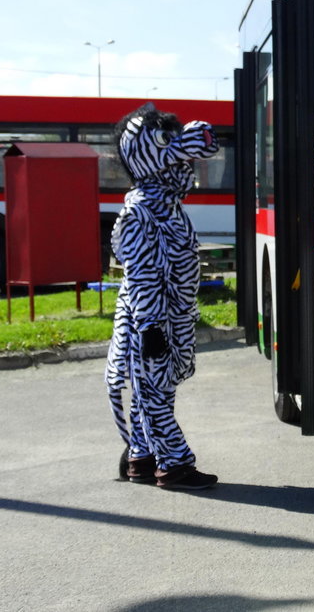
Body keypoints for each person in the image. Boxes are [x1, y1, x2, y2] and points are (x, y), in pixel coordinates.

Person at [105, 103, 219, 490]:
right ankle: (174, 466)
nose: (183, 164)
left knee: (152, 391)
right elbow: (141, 275)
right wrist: (150, 326)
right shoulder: (142, 211)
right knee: (155, 395)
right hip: (151, 320)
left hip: (172, 316)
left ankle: (140, 456)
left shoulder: (164, 206)